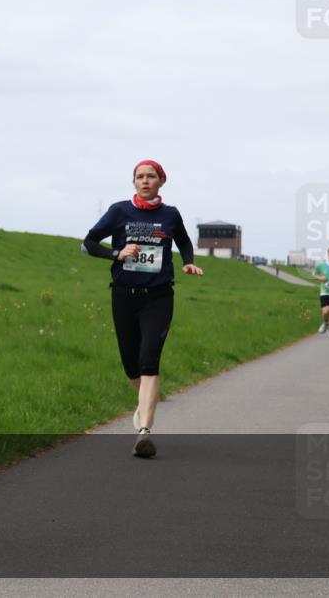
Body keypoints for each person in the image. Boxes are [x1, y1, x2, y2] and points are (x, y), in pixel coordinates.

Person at [82, 160, 203, 458]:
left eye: (151, 176)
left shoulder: (170, 215)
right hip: (124, 295)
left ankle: (144, 432)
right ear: (133, 182)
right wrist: (116, 253)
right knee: (131, 363)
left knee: (149, 358)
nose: (145, 181)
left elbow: (185, 242)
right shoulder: (119, 211)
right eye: (139, 177)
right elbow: (88, 243)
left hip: (158, 297)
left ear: (162, 181)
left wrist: (188, 261)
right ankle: (145, 402)